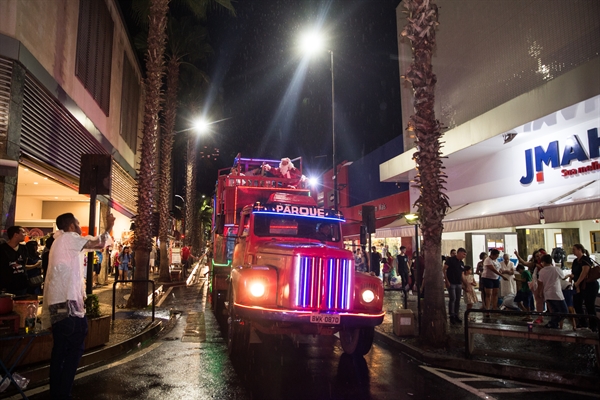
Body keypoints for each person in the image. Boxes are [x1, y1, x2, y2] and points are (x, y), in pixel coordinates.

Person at [41, 212, 114, 400]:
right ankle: (63, 393)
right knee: (75, 346)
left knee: (60, 350)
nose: (80, 227)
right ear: (71, 226)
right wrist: (108, 227)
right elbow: (97, 243)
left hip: (58, 303)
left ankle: (57, 393)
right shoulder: (69, 238)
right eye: (78, 223)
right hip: (68, 304)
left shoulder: (59, 242)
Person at [0, 226, 41, 296]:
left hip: (22, 284)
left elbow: (23, 265)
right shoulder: (2, 249)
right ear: (16, 235)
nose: (25, 235)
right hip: (7, 285)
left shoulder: (23, 248)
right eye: (23, 232)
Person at [571, 244, 598, 332]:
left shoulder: (585, 259)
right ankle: (582, 322)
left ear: (579, 250)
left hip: (589, 285)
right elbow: (574, 273)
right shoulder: (575, 261)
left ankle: (593, 325)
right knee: (577, 303)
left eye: (574, 249)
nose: (573, 251)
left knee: (589, 305)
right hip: (578, 285)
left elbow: (585, 271)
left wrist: (578, 282)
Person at [537, 254, 568, 329]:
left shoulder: (541, 271)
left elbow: (540, 283)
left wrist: (540, 292)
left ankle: (553, 325)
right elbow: (563, 278)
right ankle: (552, 323)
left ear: (543, 262)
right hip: (556, 293)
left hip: (547, 293)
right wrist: (569, 276)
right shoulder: (556, 269)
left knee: (554, 311)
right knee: (565, 312)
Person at [480, 249, 507, 318]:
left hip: (495, 278)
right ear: (492, 255)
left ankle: (494, 308)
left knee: (495, 293)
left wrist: (503, 272)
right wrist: (502, 276)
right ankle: (487, 310)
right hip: (487, 278)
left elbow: (498, 268)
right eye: (496, 256)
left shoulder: (496, 260)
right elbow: (493, 269)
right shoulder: (487, 260)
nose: (497, 257)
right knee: (489, 294)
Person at [444, 248, 467, 324]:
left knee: (458, 299)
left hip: (459, 283)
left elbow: (462, 274)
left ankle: (456, 314)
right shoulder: (450, 260)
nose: (464, 256)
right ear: (459, 253)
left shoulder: (461, 263)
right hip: (451, 283)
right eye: (464, 254)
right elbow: (444, 269)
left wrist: (465, 284)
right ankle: (452, 315)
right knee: (452, 298)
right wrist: (446, 280)